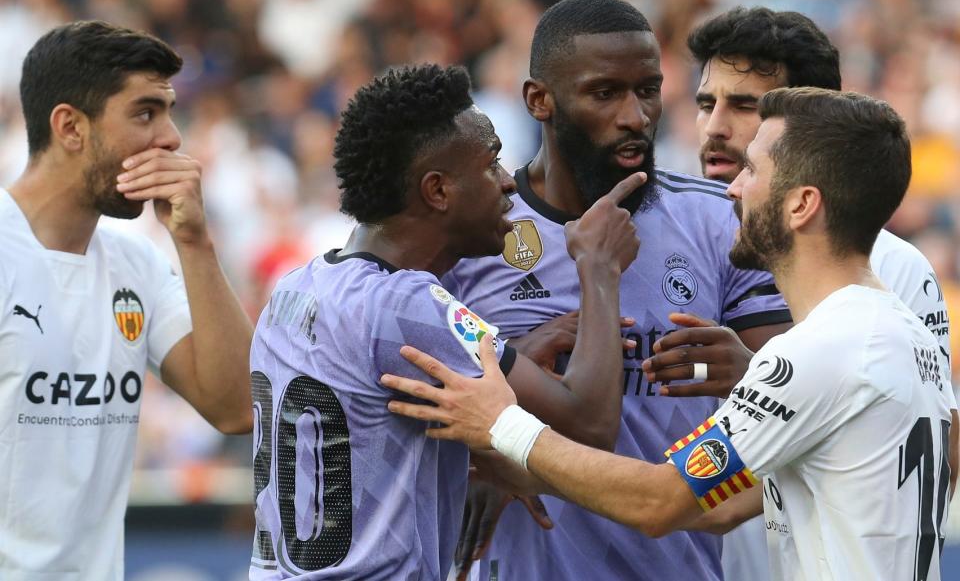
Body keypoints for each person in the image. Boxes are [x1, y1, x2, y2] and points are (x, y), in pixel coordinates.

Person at [385, 86, 959, 581]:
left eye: (754, 171)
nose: (732, 189)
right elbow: (713, 506)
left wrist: (500, 426)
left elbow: (662, 499)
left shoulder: (824, 349)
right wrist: (520, 473)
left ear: (802, 205)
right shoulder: (901, 332)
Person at [440, 0, 791, 581]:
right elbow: (396, 397)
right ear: (539, 100)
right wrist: (476, 462)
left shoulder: (719, 219)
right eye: (605, 93)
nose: (635, 116)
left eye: (648, 90)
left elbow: (795, 421)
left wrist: (753, 371)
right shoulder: (472, 236)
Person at [248, 63, 643, 579]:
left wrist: (513, 352)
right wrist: (599, 268)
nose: (508, 183)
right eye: (491, 163)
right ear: (437, 191)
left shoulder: (296, 286)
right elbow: (589, 426)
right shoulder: (408, 303)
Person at [662, 6, 960, 580]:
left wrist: (761, 379)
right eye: (706, 103)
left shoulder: (891, 268)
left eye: (745, 105)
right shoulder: (653, 240)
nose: (714, 128)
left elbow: (933, 451)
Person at [0, 21, 253, 580]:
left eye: (168, 111)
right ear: (70, 127)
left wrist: (194, 242)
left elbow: (236, 406)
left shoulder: (135, 263)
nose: (171, 138)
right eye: (145, 113)